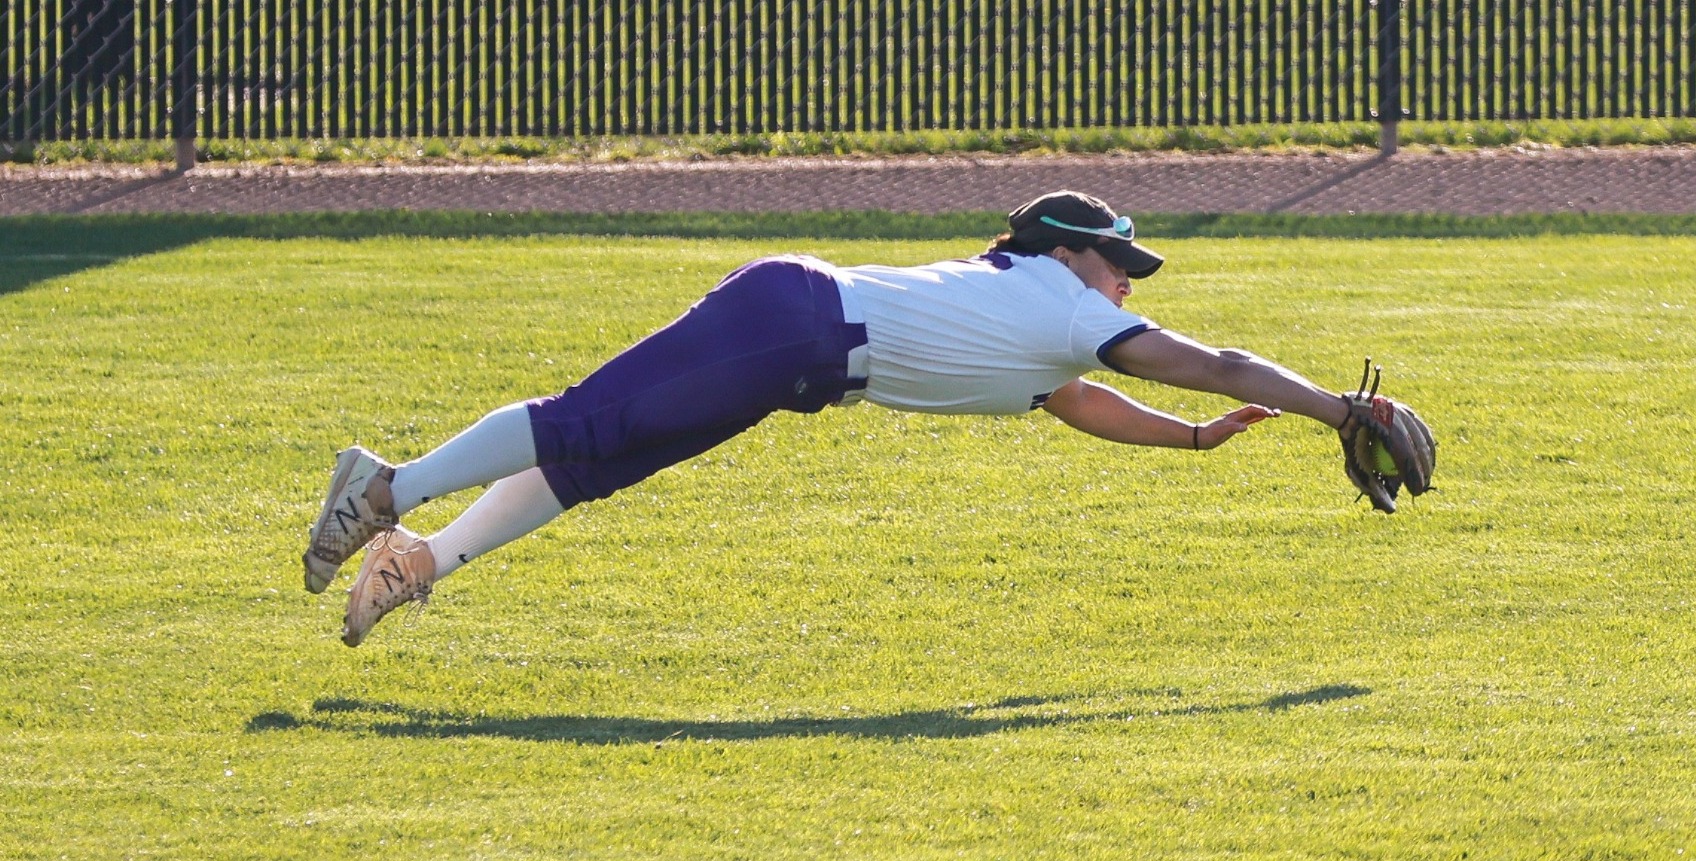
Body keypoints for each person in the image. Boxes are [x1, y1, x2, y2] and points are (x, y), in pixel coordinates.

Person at [305, 190, 1366, 646]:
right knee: (583, 424)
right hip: (795, 325)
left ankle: (420, 559)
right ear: (1063, 254)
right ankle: (385, 487)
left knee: (595, 463)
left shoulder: (1044, 327)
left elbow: (1075, 402)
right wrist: (1339, 410)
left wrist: (1185, 441)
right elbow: (1220, 364)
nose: (1127, 285)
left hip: (795, 350)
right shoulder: (1060, 303)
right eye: (1118, 263)